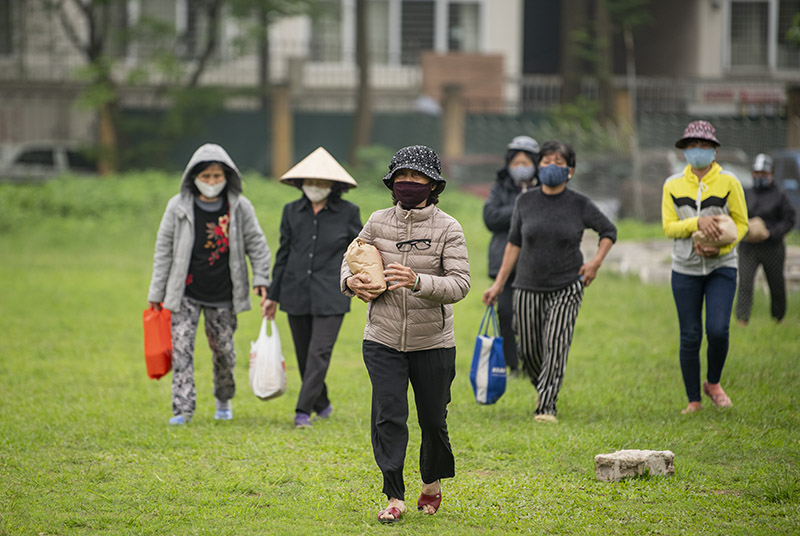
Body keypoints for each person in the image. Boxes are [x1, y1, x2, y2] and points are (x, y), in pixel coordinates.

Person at [340, 145, 470, 524]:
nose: (408, 184)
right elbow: (350, 258)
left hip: (434, 343)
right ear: (391, 184)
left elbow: (460, 285)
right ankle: (393, 494)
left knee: (432, 418)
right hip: (382, 338)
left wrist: (417, 282)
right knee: (388, 415)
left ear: (432, 185)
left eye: (417, 178)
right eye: (402, 178)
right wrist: (351, 283)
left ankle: (431, 482)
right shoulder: (377, 221)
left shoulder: (449, 228)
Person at [482, 140, 616, 423]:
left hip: (567, 284)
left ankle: (546, 406)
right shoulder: (525, 201)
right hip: (527, 285)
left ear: (570, 171)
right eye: (546, 162)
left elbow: (608, 230)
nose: (551, 168)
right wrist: (499, 284)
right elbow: (514, 243)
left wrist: (594, 263)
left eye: (558, 163)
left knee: (556, 341)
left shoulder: (579, 204)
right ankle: (542, 386)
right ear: (538, 167)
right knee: (529, 350)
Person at [147, 143, 271, 425]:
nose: (212, 182)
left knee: (224, 351)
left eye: (217, 176)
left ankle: (223, 399)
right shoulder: (177, 206)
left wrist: (262, 278)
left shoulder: (240, 207)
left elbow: (258, 246)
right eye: (206, 176)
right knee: (181, 349)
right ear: (193, 177)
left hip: (224, 293)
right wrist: (157, 292)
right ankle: (182, 409)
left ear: (227, 176)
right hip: (185, 292)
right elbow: (163, 250)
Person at [263, 147, 362, 429]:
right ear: (301, 183)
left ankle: (302, 411)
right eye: (310, 181)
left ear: (334, 185)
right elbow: (283, 254)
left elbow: (358, 251)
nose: (315, 187)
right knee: (305, 355)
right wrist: (273, 295)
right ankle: (323, 403)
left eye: (322, 182)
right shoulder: (291, 212)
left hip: (332, 293)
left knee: (319, 352)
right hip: (295, 291)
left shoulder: (349, 213)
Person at [661, 120, 748, 414]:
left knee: (718, 329)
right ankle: (693, 400)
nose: (698, 151)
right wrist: (695, 223)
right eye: (692, 146)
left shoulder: (730, 182)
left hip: (722, 266)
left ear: (715, 151)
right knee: (690, 334)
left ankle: (713, 382)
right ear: (684, 150)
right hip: (685, 268)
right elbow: (669, 227)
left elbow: (742, 224)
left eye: (704, 146)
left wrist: (719, 247)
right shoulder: (672, 185)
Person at [483, 135, 540, 376]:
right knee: (505, 312)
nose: (520, 167)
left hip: (535, 264)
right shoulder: (501, 186)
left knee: (531, 315)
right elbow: (490, 218)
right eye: (516, 163)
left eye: (525, 162)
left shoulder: (545, 188)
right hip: (503, 263)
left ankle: (532, 361)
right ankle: (511, 364)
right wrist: (522, 204)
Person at [735, 153, 796, 325]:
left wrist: (771, 233)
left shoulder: (780, 195)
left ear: (771, 174)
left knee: (776, 283)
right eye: (756, 173)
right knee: (745, 283)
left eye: (763, 174)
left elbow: (789, 220)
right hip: (749, 247)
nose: (760, 177)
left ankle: (778, 318)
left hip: (772, 247)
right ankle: (742, 319)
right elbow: (736, 215)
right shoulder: (745, 193)